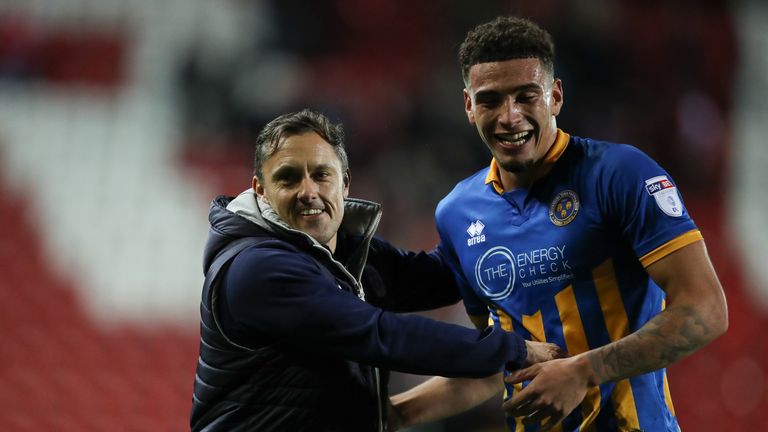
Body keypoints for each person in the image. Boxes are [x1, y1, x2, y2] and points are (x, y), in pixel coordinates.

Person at [389, 16, 728, 431]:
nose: (509, 117)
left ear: (555, 96)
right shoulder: (457, 213)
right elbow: (494, 364)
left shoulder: (619, 174)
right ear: (468, 106)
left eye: (526, 96)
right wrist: (393, 413)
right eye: (490, 100)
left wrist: (585, 371)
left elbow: (707, 308)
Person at [189, 108, 563, 431]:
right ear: (260, 191)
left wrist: (526, 235)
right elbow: (381, 335)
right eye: (288, 178)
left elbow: (433, 280)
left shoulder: (342, 253)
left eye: (321, 175)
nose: (308, 191)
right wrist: (514, 348)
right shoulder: (258, 268)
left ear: (345, 183)